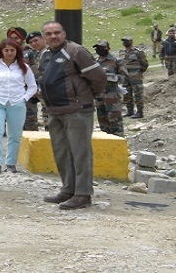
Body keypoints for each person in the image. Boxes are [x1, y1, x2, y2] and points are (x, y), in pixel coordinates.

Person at [37, 21, 107, 210]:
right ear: (44, 37)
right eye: (49, 33)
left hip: (77, 112)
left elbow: (99, 77)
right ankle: (68, 190)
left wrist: (85, 96)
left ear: (64, 33)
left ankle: (83, 194)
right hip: (54, 112)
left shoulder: (76, 51)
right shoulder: (44, 54)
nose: (53, 36)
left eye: (57, 32)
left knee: (80, 153)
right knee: (62, 153)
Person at [0, 28, 36, 173]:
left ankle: (11, 163)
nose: (9, 53)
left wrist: (24, 98)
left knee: (14, 135)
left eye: (12, 50)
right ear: (1, 51)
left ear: (17, 51)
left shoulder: (24, 67)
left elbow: (33, 86)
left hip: (16, 103)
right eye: (6, 50)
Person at [91, 40, 125, 137]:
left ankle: (119, 144)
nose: (99, 50)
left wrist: (111, 77)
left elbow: (124, 78)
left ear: (108, 49)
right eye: (97, 48)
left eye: (102, 48)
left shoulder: (116, 61)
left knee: (115, 122)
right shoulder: (94, 62)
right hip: (99, 98)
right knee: (103, 124)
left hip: (112, 97)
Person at [119, 36, 148, 118]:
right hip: (125, 77)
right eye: (124, 41)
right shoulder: (121, 52)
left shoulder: (138, 52)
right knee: (127, 94)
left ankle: (139, 112)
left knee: (138, 94)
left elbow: (144, 64)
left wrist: (138, 72)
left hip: (136, 77)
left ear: (131, 42)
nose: (125, 43)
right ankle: (130, 111)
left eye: (126, 41)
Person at [22, 31, 44, 131]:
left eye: (36, 40)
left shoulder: (50, 52)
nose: (34, 43)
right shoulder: (38, 54)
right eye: (31, 42)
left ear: (43, 38)